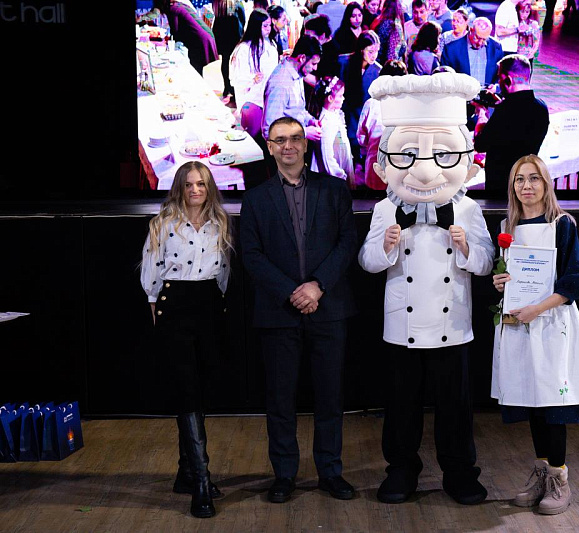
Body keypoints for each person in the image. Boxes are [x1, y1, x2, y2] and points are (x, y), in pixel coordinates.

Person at [358, 73, 494, 506]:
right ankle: (401, 470)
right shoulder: (385, 208)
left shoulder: (468, 209)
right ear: (386, 163)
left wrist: (465, 247)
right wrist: (386, 246)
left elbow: (486, 262)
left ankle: (460, 472)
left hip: (453, 324)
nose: (424, 168)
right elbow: (367, 261)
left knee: (455, 407)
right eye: (407, 153)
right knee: (402, 406)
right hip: (403, 325)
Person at [240, 116, 358, 504]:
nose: (288, 146)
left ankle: (330, 472)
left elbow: (347, 243)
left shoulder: (334, 189)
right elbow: (251, 255)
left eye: (294, 139)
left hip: (329, 307)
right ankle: (284, 475)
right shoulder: (255, 198)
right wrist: (293, 292)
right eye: (280, 140)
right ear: (269, 147)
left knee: (330, 397)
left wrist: (317, 286)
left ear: (306, 145)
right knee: (280, 399)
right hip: (279, 311)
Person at [491, 154, 579, 515]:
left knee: (552, 402)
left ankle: (559, 478)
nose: (527, 186)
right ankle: (542, 473)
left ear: (546, 183)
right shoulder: (508, 227)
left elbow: (575, 281)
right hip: (520, 325)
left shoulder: (561, 225)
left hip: (551, 324)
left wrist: (538, 308)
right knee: (531, 398)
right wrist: (500, 282)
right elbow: (509, 276)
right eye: (520, 179)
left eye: (534, 178)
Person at [140, 161, 233, 519]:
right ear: (179, 187)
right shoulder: (163, 224)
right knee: (186, 388)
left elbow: (223, 273)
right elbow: (151, 273)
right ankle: (202, 481)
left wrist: (217, 305)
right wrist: (156, 308)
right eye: (189, 184)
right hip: (174, 305)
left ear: (210, 188)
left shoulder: (220, 224)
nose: (196, 190)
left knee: (201, 388)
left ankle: (186, 472)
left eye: (202, 184)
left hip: (208, 306)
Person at [473, 54, 549, 193]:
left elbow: (480, 144)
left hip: (500, 186)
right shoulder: (542, 107)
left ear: (508, 79)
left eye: (500, 78)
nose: (499, 83)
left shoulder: (505, 111)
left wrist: (482, 113)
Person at [262, 35, 324, 143]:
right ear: (302, 58)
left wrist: (310, 120)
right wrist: (304, 132)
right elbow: (270, 129)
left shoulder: (297, 73)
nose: (315, 68)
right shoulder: (281, 83)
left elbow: (296, 111)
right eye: (313, 64)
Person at [356, 59, 407, 190]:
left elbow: (361, 137)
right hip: (402, 168)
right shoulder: (409, 105)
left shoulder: (371, 103)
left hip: (375, 165)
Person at [230, 9, 279, 139]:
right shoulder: (244, 48)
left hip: (268, 95)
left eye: (270, 25)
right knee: (252, 136)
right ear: (256, 26)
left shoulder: (271, 44)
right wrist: (252, 79)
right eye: (265, 26)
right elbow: (237, 78)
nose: (269, 29)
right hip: (252, 99)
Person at [338, 30, 381, 162]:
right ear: (361, 50)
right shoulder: (343, 62)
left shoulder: (377, 70)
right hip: (344, 115)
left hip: (364, 120)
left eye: (376, 51)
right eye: (370, 51)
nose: (374, 56)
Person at [308, 76, 354, 184]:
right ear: (330, 98)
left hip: (341, 164)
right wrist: (340, 176)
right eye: (340, 96)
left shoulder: (335, 115)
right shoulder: (326, 121)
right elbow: (327, 156)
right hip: (333, 177)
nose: (343, 99)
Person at [156, 0, 218, 74]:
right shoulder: (179, 5)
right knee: (200, 68)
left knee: (200, 70)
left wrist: (167, 44)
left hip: (201, 39)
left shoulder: (173, 9)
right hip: (206, 35)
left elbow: (175, 33)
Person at [441, 17, 504, 87]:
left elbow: (501, 74)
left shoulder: (496, 47)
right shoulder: (451, 49)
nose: (480, 43)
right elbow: (445, 77)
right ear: (471, 30)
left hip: (487, 93)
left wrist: (495, 87)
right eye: (477, 38)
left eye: (484, 39)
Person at [212, 0, 246, 103]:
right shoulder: (236, 3)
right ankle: (236, 89)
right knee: (237, 62)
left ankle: (226, 87)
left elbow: (212, 15)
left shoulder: (218, 3)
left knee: (225, 60)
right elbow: (243, 19)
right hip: (234, 33)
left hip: (221, 33)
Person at [371, 0, 407, 65]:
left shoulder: (378, 21)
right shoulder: (394, 26)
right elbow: (392, 57)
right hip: (387, 68)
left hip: (375, 64)